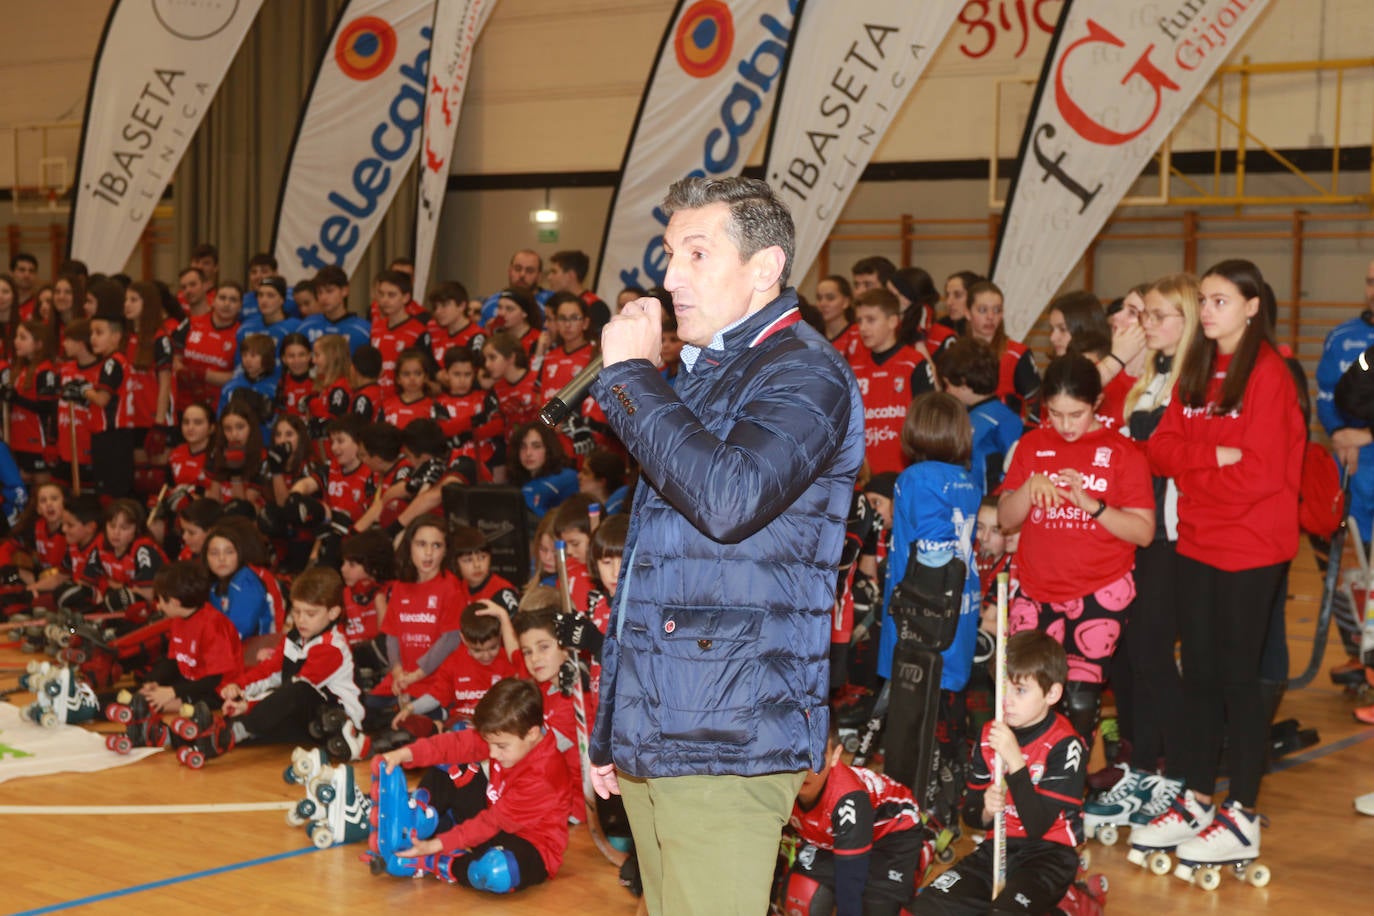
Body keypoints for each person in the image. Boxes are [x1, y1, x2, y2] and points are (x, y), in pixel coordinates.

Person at [587, 176, 865, 915]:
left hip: (731, 731)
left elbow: (727, 498)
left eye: (697, 254)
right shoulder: (705, 370)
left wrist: (631, 377)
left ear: (765, 268)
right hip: (666, 722)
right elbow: (656, 564)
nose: (671, 276)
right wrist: (617, 722)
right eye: (670, 253)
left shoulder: (805, 372)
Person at [1133, 258, 1304, 868]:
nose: (1207, 311)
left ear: (1252, 306)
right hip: (1199, 541)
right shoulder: (1199, 368)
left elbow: (1261, 472)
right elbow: (1159, 450)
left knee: (1238, 678)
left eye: (1220, 301)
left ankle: (1245, 814)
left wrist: (1197, 467)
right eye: (1203, 300)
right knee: (1200, 673)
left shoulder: (1270, 375)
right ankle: (1199, 799)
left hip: (1251, 548)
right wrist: (1214, 457)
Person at [997, 354, 1154, 751]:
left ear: (1097, 404)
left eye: (1076, 414)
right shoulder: (1032, 445)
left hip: (1098, 590)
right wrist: (1028, 489)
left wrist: (1093, 505)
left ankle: (1068, 791)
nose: (1065, 426)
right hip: (1035, 588)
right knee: (1023, 694)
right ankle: (1023, 780)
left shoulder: (1122, 452)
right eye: (1056, 414)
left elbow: (1144, 532)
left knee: (1080, 700)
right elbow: (1004, 517)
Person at [910, 630, 1085, 915]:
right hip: (998, 848)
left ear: (1052, 693)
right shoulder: (989, 734)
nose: (1007, 700)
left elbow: (1038, 826)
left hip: (1048, 855)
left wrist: (1016, 761)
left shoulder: (1066, 745)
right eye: (1002, 688)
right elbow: (970, 816)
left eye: (1020, 690)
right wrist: (986, 813)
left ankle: (1071, 904)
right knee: (927, 906)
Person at [378, 677, 572, 893]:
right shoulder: (507, 734)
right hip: (492, 818)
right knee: (450, 761)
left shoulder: (543, 775)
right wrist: (404, 754)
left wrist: (436, 846)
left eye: (500, 746)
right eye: (489, 744)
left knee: (494, 872)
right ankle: (419, 819)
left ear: (532, 733)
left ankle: (438, 861)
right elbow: (455, 744)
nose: (492, 753)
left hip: (531, 845)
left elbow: (492, 823)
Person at [177, 566, 369, 765]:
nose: (301, 620)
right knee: (254, 726)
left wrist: (249, 705)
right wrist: (239, 688)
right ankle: (192, 737)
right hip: (302, 718)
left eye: (310, 614)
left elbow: (296, 687)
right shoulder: (294, 637)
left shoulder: (332, 648)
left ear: (333, 613)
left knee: (295, 692)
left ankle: (234, 731)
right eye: (296, 611)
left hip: (334, 718)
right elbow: (270, 670)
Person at [783, 724, 931, 916]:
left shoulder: (848, 800)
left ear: (835, 755)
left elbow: (849, 892)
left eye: (816, 757)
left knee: (874, 908)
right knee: (800, 897)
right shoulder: (776, 781)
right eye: (796, 755)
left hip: (892, 834)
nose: (805, 769)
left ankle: (923, 849)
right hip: (834, 837)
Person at [1316, 258, 1374, 545]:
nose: (1373, 291)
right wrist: (1339, 435)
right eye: (1370, 282)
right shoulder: (1341, 338)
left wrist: (1367, 435)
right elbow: (1326, 397)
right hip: (1350, 463)